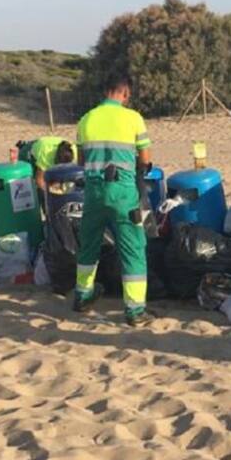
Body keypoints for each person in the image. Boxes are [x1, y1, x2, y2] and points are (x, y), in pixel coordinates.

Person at [74, 73, 153, 326]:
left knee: (88, 246)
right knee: (133, 249)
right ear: (125, 94)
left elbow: (81, 162)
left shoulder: (86, 120)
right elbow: (145, 159)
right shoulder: (133, 118)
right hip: (123, 192)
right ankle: (134, 311)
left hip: (93, 193)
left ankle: (82, 295)